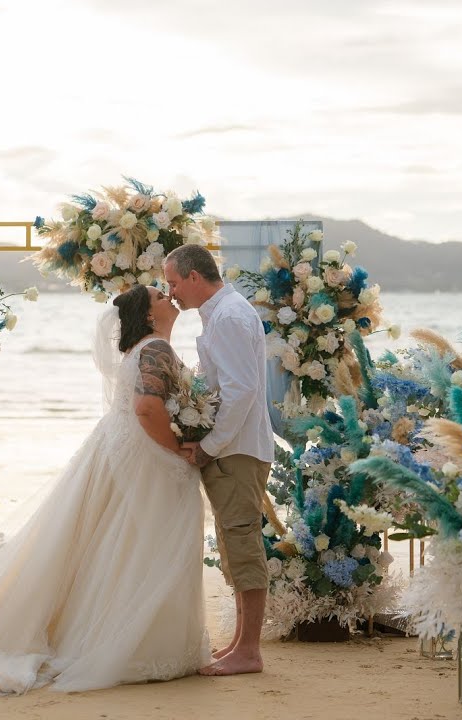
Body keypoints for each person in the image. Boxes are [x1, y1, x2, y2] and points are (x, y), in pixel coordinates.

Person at [0, 285, 211, 696]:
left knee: (116, 546)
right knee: (144, 544)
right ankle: (138, 644)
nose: (167, 296)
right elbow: (146, 408)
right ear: (150, 315)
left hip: (119, 450)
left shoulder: (140, 350)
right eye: (159, 294)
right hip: (144, 457)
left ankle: (118, 637)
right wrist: (179, 450)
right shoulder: (155, 349)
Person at [163, 244, 274, 677]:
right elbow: (222, 384)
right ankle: (240, 645)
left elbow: (242, 390)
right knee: (232, 544)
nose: (171, 293)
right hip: (235, 447)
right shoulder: (222, 313)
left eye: (173, 282)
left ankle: (249, 651)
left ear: (194, 277)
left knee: (243, 544)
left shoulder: (228, 316)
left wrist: (209, 446)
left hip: (237, 450)